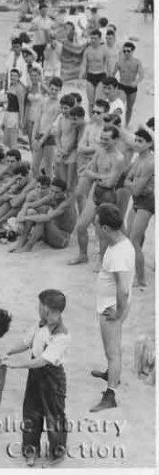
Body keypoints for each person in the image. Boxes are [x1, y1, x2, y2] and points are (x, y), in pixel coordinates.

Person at [4, 290, 70, 468]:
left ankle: (56, 454)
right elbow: (27, 342)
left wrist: (17, 365)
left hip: (52, 376)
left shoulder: (62, 335)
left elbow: (43, 361)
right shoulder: (39, 324)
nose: (37, 308)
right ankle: (31, 450)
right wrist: (9, 351)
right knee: (31, 411)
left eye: (39, 305)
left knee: (54, 415)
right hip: (36, 374)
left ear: (47, 309)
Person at [89, 204, 133, 412]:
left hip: (111, 308)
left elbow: (123, 290)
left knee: (112, 352)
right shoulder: (121, 244)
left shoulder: (117, 254)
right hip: (112, 305)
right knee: (113, 351)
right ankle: (111, 374)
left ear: (105, 228)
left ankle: (111, 394)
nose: (94, 228)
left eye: (96, 225)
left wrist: (118, 312)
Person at [69, 126, 125, 266]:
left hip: (108, 196)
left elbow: (109, 182)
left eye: (106, 139)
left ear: (116, 140)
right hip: (95, 192)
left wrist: (95, 176)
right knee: (81, 226)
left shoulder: (118, 158)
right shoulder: (99, 150)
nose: (103, 141)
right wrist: (100, 176)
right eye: (101, 138)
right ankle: (83, 255)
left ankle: (103, 262)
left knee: (102, 233)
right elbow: (87, 170)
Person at [124, 128, 154, 288]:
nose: (136, 143)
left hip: (147, 202)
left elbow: (134, 188)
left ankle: (141, 279)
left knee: (134, 239)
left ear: (149, 143)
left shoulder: (150, 163)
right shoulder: (138, 159)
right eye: (135, 140)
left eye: (140, 141)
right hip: (138, 200)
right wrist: (132, 183)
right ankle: (136, 270)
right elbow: (127, 182)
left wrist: (132, 183)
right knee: (131, 236)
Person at [113, 41, 143, 126]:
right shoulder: (119, 62)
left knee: (129, 108)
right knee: (119, 107)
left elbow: (141, 75)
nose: (126, 53)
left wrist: (136, 82)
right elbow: (112, 74)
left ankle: (126, 125)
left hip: (132, 88)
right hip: (122, 86)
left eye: (128, 51)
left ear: (133, 51)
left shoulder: (137, 62)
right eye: (124, 51)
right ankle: (116, 124)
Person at [79, 29, 108, 107]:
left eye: (95, 38)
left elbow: (108, 65)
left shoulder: (104, 50)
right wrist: (81, 76)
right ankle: (92, 119)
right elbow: (83, 64)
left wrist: (110, 79)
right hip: (90, 76)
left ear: (100, 39)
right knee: (91, 103)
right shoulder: (87, 51)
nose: (93, 40)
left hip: (101, 76)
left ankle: (99, 118)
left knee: (98, 102)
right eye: (91, 38)